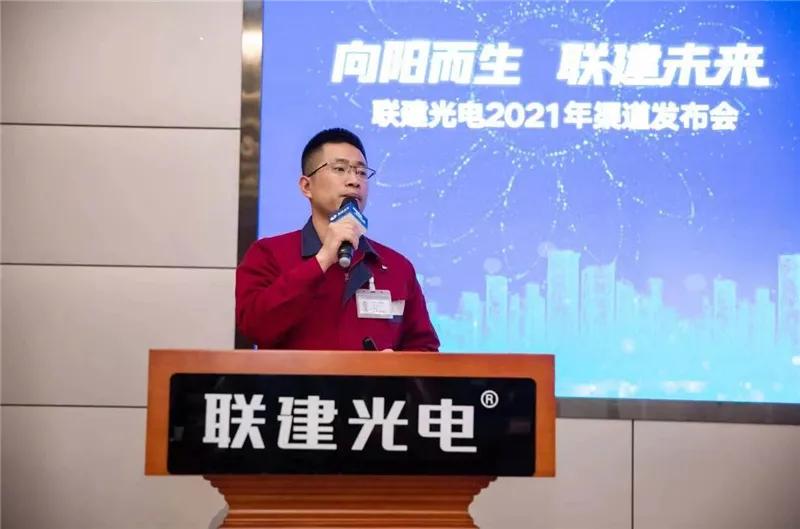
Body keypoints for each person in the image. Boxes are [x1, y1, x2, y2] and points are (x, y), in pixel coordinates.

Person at [236, 128, 439, 352]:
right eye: (340, 169)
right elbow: (254, 326)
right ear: (306, 186)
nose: (354, 181)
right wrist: (322, 259)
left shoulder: (396, 267)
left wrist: (396, 366)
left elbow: (425, 347)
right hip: (296, 377)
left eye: (361, 172)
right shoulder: (269, 253)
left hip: (374, 378)